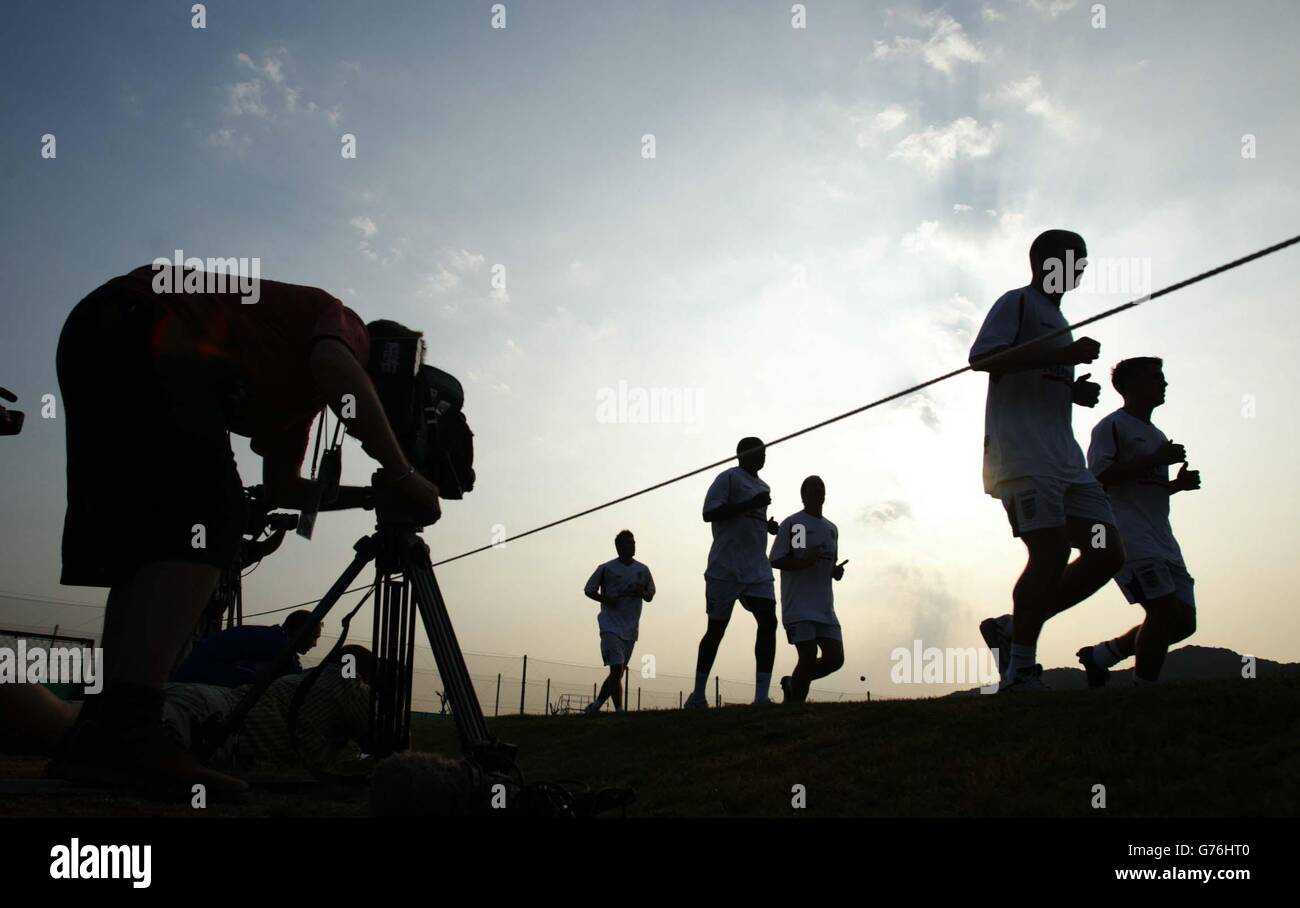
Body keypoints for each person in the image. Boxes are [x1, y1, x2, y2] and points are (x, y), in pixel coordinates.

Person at [51, 262, 441, 794]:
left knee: (151, 540)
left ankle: (104, 732)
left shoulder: (292, 397)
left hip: (99, 332)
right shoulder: (342, 324)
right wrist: (402, 471)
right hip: (146, 324)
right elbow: (334, 362)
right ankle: (130, 731)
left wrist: (376, 495)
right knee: (209, 516)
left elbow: (284, 491)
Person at [969, 230, 1126, 692]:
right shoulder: (1017, 303)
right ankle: (1021, 669)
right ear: (1046, 261)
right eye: (1075, 259)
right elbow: (983, 358)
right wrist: (1062, 356)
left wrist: (1071, 390)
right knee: (1051, 552)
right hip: (1021, 456)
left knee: (1107, 552)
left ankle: (1010, 629)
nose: (1081, 268)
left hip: (1065, 459)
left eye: (1084, 260)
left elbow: (1037, 373)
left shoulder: (1060, 321)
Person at [1078, 358, 1200, 685]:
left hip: (1162, 538)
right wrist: (1155, 460)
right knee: (1161, 610)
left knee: (1183, 622)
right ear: (1131, 386)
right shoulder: (1111, 427)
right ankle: (1144, 689)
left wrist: (1177, 485)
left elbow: (1145, 488)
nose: (1164, 384)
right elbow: (1099, 479)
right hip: (1129, 536)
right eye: (1156, 378)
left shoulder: (1156, 434)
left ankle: (1101, 655)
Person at [685, 437, 780, 708]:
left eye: (764, 453)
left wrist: (766, 525)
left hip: (756, 569)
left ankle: (761, 697)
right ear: (742, 454)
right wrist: (750, 505)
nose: (762, 457)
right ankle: (698, 695)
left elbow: (750, 521)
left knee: (769, 622)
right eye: (758, 452)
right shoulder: (727, 478)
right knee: (716, 630)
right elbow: (709, 513)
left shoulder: (764, 487)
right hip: (725, 567)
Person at [769, 476, 847, 704]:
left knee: (835, 659)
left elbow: (828, 563)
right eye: (812, 488)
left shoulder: (831, 529)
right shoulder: (796, 525)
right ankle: (796, 707)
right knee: (808, 656)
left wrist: (834, 572)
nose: (818, 491)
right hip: (799, 606)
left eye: (821, 487)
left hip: (824, 606)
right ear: (803, 494)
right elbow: (777, 559)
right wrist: (805, 561)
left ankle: (794, 683)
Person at [583, 530, 655, 713]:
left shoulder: (643, 569)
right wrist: (607, 600)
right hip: (610, 626)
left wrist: (642, 592)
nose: (633, 545)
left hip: (631, 629)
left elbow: (650, 594)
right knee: (617, 669)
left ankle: (608, 709)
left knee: (619, 671)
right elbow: (589, 589)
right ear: (618, 547)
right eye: (628, 543)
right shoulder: (606, 568)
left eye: (634, 542)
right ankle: (608, 708)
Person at [171, 610, 321, 687]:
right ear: (301, 630)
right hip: (194, 684)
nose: (314, 644)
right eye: (314, 637)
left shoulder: (270, 637)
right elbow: (295, 680)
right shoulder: (278, 648)